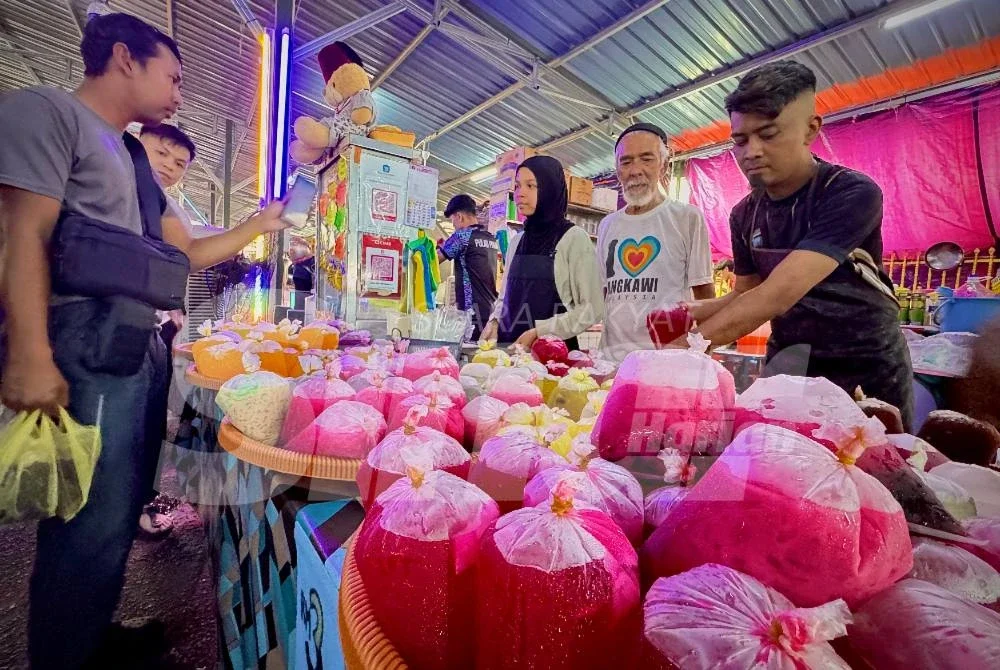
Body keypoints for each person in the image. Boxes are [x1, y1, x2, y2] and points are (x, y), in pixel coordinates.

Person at [0, 13, 292, 668]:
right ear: (126, 59)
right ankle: (62, 655)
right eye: (175, 76)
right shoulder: (47, 113)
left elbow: (185, 252)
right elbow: (24, 235)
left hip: (136, 344)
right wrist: (29, 353)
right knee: (86, 520)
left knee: (118, 506)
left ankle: (90, 637)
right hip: (82, 334)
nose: (181, 92)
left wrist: (257, 224)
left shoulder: (130, 156)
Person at [686, 60, 913, 428]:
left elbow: (778, 293)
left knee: (874, 468)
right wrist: (694, 311)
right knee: (772, 462)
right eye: (741, 141)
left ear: (811, 129)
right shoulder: (744, 214)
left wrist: (689, 350)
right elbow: (747, 292)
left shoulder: (849, 192)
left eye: (769, 134)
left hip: (865, 361)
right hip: (791, 357)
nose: (752, 151)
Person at [597, 122, 714, 362]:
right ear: (617, 169)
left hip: (664, 362)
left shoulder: (687, 218)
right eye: (626, 161)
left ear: (663, 164)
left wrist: (704, 350)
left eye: (646, 159)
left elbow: (704, 296)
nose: (635, 170)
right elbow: (602, 293)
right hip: (611, 361)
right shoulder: (608, 225)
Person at [480, 156, 603, 350]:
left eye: (531, 186)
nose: (520, 193)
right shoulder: (517, 241)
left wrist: (541, 331)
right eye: (518, 186)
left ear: (550, 190)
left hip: (553, 358)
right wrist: (494, 321)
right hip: (511, 352)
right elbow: (505, 296)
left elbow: (591, 309)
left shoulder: (574, 238)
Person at [438, 194, 499, 340]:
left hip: (470, 314)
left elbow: (434, 260)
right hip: (490, 311)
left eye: (453, 221)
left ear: (459, 216)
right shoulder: (489, 237)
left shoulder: (462, 236)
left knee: (467, 357)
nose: (454, 226)